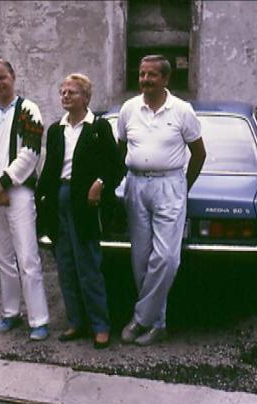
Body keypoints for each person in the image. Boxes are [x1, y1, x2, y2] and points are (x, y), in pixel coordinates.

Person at [117, 55, 206, 346]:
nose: (145, 80)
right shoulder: (129, 109)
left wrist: (182, 187)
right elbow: (120, 148)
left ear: (165, 79)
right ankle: (158, 324)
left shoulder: (182, 110)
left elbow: (199, 154)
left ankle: (140, 318)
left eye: (151, 75)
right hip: (136, 184)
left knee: (167, 257)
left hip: (170, 184)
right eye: (142, 74)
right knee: (141, 258)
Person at [36, 73, 122, 349]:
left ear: (86, 97)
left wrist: (100, 183)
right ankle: (75, 322)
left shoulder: (98, 128)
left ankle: (100, 325)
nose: (65, 96)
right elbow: (50, 168)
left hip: (84, 203)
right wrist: (41, 198)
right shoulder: (56, 130)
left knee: (88, 266)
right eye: (62, 92)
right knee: (65, 265)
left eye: (71, 92)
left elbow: (116, 167)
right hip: (59, 199)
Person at [0, 59, 50, 341]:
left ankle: (39, 320)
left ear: (13, 76)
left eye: (2, 78)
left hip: (18, 192)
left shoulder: (28, 109)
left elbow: (31, 152)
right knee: (1, 257)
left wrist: (4, 182)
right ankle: (10, 312)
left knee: (27, 257)